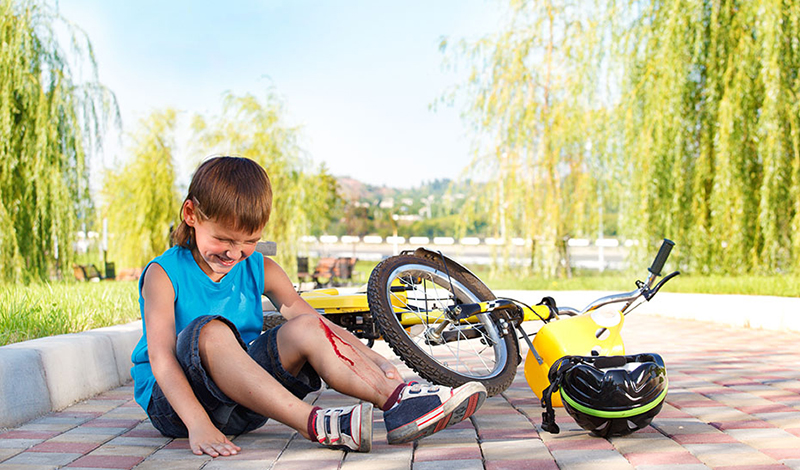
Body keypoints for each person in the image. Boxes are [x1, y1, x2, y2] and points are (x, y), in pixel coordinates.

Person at [130, 156, 486, 457]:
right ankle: (315, 423)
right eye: (223, 239)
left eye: (249, 242)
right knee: (209, 330)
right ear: (191, 214)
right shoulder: (164, 274)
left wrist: (374, 359)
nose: (234, 253)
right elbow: (161, 358)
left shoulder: (260, 268)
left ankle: (397, 402)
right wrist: (197, 424)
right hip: (177, 407)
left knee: (306, 325)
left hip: (247, 404)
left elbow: (316, 324)